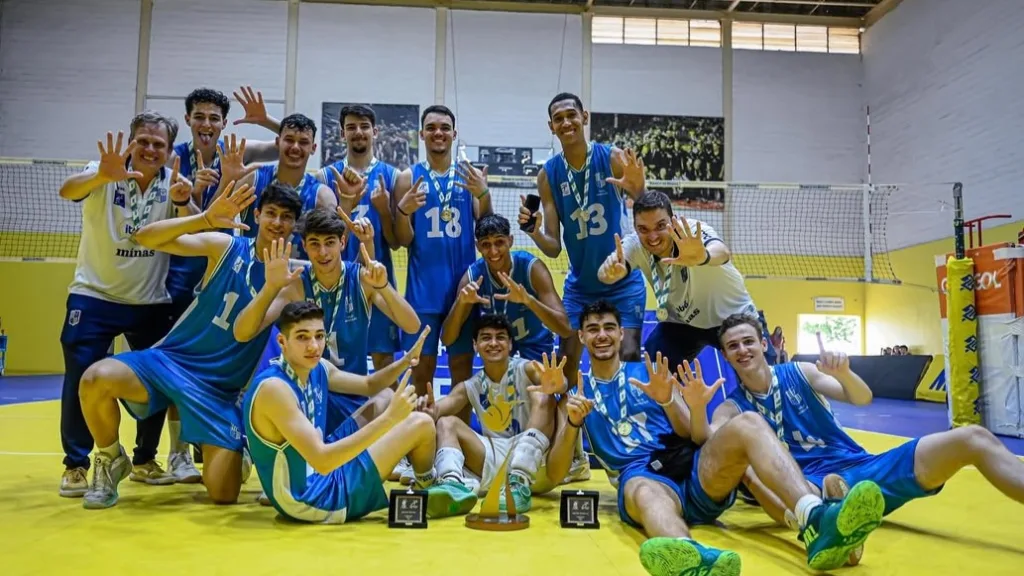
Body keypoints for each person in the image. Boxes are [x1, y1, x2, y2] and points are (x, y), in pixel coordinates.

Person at [545, 301, 886, 575]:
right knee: (644, 489)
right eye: (593, 329)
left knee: (749, 422)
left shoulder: (650, 373)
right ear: (582, 337)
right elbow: (557, 472)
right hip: (642, 477)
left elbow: (686, 432)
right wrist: (572, 423)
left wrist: (667, 399)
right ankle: (693, 560)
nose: (601, 335)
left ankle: (815, 517)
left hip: (693, 470)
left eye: (608, 328)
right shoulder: (577, 395)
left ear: (621, 335)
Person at [710, 312, 1024, 564]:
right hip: (810, 486)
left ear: (763, 344)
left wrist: (844, 372)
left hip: (863, 468)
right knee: (797, 491)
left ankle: (844, 507)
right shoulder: (732, 408)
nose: (742, 350)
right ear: (725, 355)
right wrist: (692, 409)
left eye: (748, 341)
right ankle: (835, 517)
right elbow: (712, 442)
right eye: (733, 346)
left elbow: (862, 398)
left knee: (973, 438)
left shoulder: (800, 372)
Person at [75, 177, 303, 509]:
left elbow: (244, 332)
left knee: (224, 494)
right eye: (271, 213)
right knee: (95, 379)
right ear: (257, 216)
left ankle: (235, 450)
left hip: (218, 389)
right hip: (172, 362)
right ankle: (110, 458)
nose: (278, 223)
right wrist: (204, 219)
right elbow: (145, 237)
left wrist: (271, 287)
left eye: (286, 217)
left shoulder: (289, 284)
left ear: (295, 225)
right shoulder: (225, 247)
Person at [56, 114, 192, 497]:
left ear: (169, 150)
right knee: (81, 379)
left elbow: (191, 227)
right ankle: (77, 465)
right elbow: (67, 191)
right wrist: (102, 175)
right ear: (131, 142)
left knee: (156, 382)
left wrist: (183, 203)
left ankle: (145, 460)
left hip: (149, 299)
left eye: (159, 145)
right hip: (93, 295)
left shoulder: (173, 183)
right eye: (143, 141)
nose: (150, 150)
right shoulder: (103, 170)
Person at [519, 92, 648, 481]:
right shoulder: (548, 174)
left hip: (622, 281)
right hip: (580, 284)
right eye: (558, 118)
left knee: (626, 357)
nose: (566, 122)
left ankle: (628, 443)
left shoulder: (611, 156)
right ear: (551, 126)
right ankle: (572, 448)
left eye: (572, 115)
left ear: (584, 116)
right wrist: (532, 230)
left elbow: (644, 207)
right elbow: (554, 246)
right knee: (567, 364)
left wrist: (638, 189)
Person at [243, 300, 442, 523]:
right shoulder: (274, 389)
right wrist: (390, 419)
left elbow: (369, 385)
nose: (313, 346)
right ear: (282, 341)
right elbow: (323, 461)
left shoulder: (318, 368)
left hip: (322, 471)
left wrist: (406, 361)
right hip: (313, 499)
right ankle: (428, 483)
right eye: (302, 337)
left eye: (319, 336)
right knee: (422, 424)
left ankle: (419, 478)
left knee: (384, 398)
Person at [233, 207, 421, 433]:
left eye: (329, 243)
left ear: (342, 242)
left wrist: (384, 287)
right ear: (304, 246)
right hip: (308, 399)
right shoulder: (297, 284)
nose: (322, 252)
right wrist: (270, 287)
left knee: (387, 399)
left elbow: (412, 326)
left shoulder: (362, 279)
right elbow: (242, 333)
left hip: (353, 398)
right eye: (314, 244)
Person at [420, 313, 566, 517]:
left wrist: (559, 384)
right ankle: (451, 485)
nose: (493, 343)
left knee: (543, 394)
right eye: (486, 337)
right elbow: (443, 406)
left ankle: (519, 481)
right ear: (475, 345)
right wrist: (429, 410)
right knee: (446, 423)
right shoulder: (472, 385)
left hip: (534, 461)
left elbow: (556, 384)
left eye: (500, 337)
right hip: (492, 456)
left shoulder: (527, 368)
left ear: (510, 344)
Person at [597, 190, 762, 370]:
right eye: (644, 229)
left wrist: (702, 256)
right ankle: (672, 398)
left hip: (732, 317)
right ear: (636, 227)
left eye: (661, 226)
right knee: (658, 353)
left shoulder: (690, 231)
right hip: (686, 323)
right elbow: (606, 271)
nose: (652, 237)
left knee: (754, 375)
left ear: (673, 220)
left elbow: (722, 252)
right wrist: (608, 274)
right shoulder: (635, 244)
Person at [392, 105, 493, 398]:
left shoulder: (468, 175)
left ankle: (454, 440)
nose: (439, 133)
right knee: (421, 370)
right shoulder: (407, 178)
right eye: (432, 127)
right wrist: (402, 211)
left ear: (454, 134)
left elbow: (486, 226)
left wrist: (483, 194)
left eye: (445, 128)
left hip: (463, 290)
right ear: (422, 134)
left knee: (461, 371)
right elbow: (401, 240)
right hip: (422, 292)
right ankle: (422, 437)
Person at [317, 104, 402, 375]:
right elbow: (324, 234)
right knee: (331, 360)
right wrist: (347, 204)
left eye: (364, 126)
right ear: (342, 134)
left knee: (383, 360)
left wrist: (384, 210)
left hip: (375, 280)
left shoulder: (393, 176)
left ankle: (384, 417)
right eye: (351, 127)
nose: (358, 132)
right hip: (336, 282)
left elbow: (396, 241)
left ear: (375, 132)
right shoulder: (326, 176)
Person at [440, 213, 571, 365]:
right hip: (498, 349)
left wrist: (528, 300)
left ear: (510, 241)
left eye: (499, 242)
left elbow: (565, 329)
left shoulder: (532, 269)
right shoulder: (473, 277)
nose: (493, 251)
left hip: (535, 346)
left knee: (537, 384)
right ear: (478, 247)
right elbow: (447, 339)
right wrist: (461, 303)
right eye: (486, 244)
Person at [227, 113, 337, 255]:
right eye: (289, 140)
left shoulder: (322, 196)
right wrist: (226, 181)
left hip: (296, 273)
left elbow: (332, 247)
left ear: (313, 148)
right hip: (248, 270)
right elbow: (218, 219)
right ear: (278, 142)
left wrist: (347, 203)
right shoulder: (252, 179)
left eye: (303, 142)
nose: (295, 147)